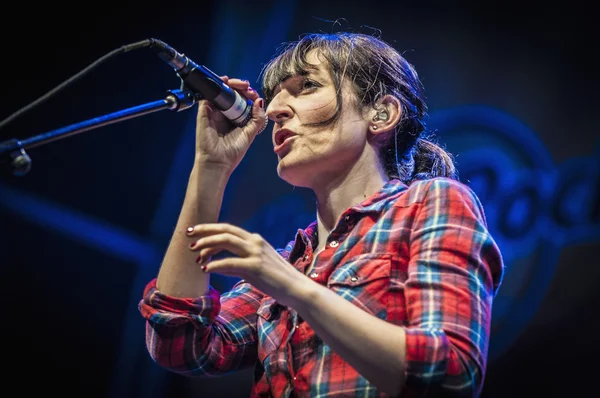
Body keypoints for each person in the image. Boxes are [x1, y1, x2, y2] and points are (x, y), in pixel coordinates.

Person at [138, 31, 504, 397]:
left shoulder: (432, 202)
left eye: (307, 86)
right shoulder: (291, 262)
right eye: (275, 96)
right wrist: (211, 165)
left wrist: (297, 290)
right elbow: (182, 345)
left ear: (382, 113)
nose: (276, 110)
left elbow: (452, 374)